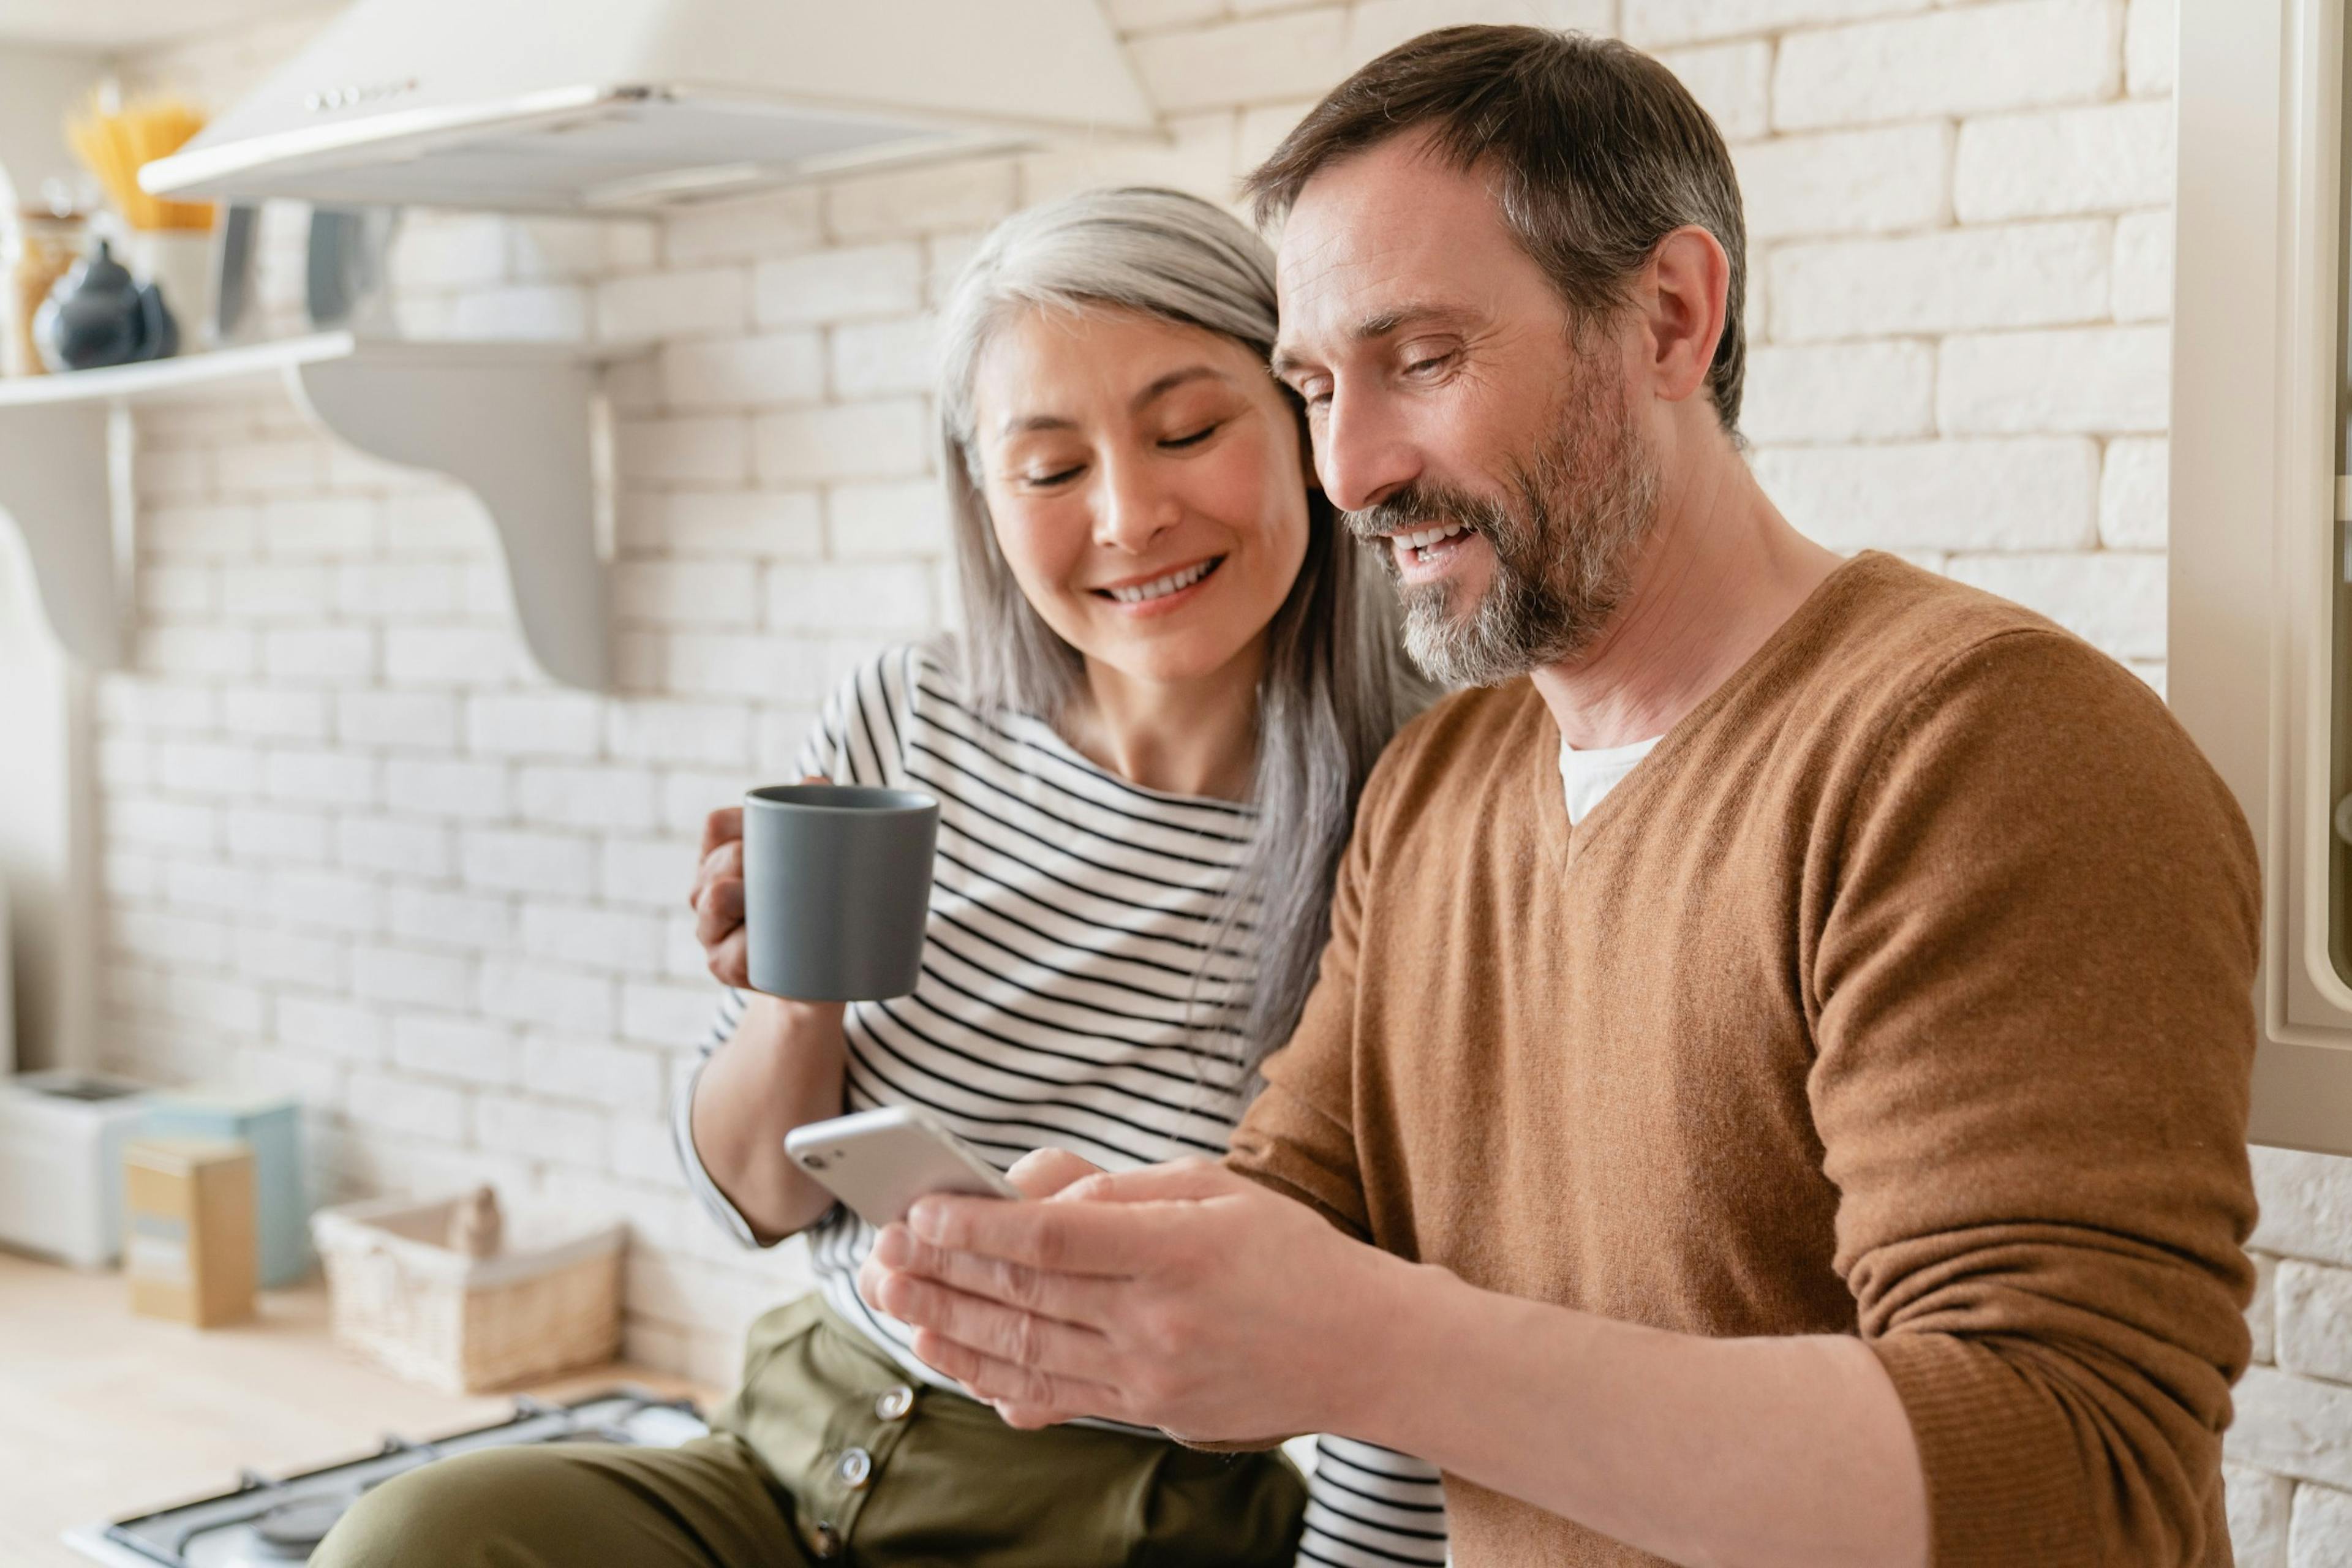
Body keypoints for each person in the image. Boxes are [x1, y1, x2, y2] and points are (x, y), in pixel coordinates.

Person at [860, 28, 2264, 1568]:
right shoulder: (1443, 790)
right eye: (1318, 385)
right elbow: (1299, 1205)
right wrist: (1106, 1263)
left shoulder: (1985, 747)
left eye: (1424, 360)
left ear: (1671, 316)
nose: (1351, 470)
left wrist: (1375, 1347)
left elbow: (2078, 1474)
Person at [312, 187, 1446, 1568]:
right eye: (1049, 468)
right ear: (984, 497)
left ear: (1303, 423)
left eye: (1188, 430)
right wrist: (797, 1001)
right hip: (794, 1436)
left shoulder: (1417, 805)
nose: (1130, 515)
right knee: (423, 1533)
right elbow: (753, 1195)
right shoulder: (911, 711)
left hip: (1124, 1511)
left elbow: (1416, 1316)